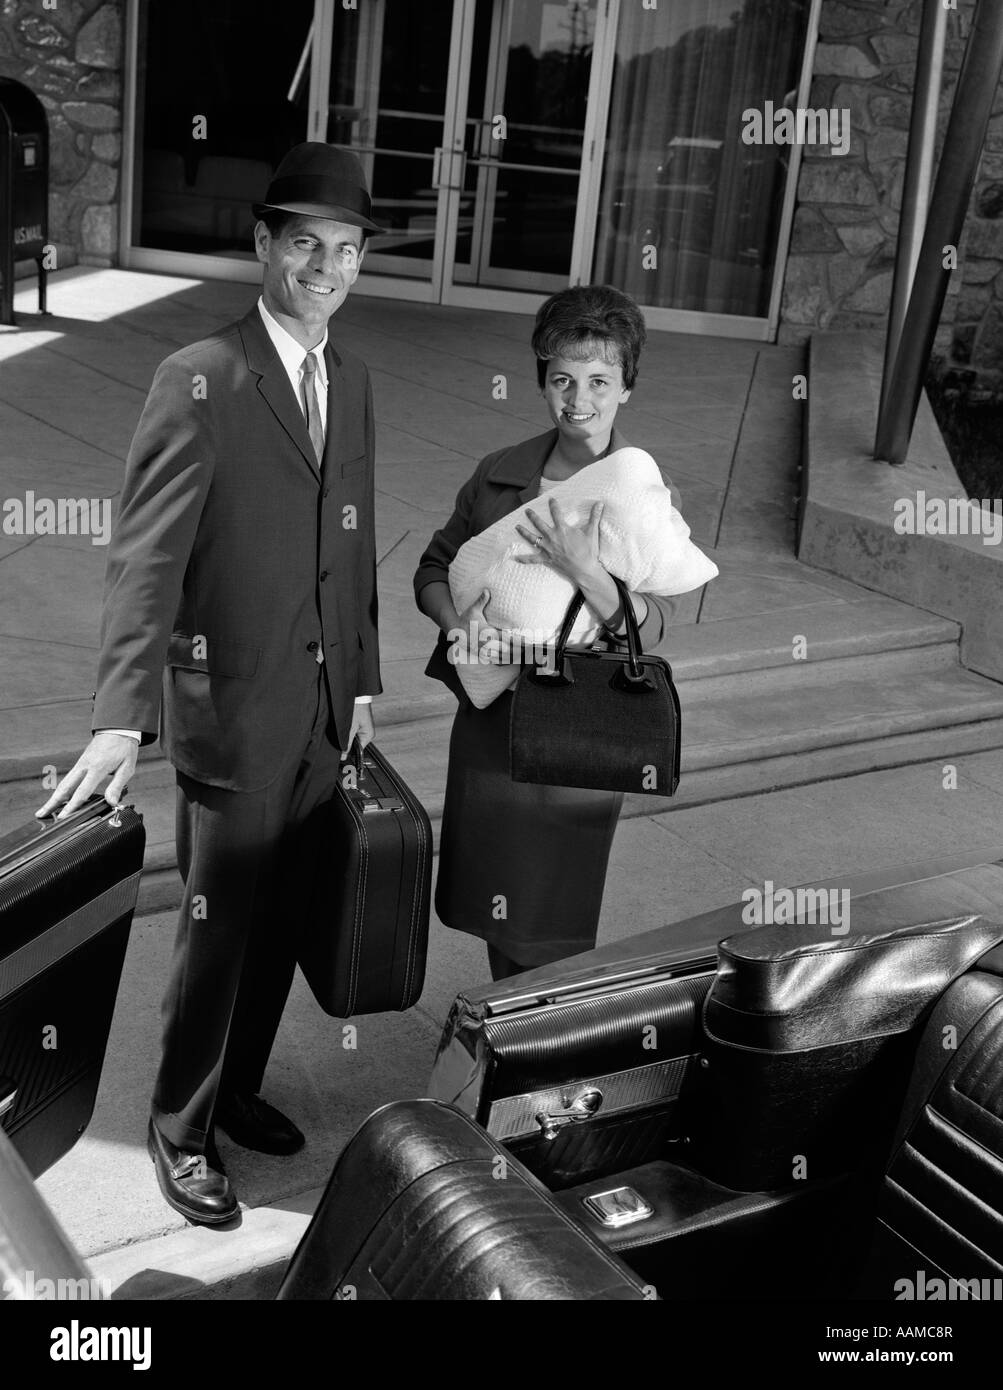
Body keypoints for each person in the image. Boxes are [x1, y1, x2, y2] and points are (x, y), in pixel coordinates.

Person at [37, 144, 382, 1226]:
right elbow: (147, 559)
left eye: (345, 251)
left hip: (324, 712)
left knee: (283, 919)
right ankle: (179, 1124)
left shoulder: (354, 374)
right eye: (305, 246)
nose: (324, 267)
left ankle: (236, 1088)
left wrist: (362, 684)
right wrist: (117, 718)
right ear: (265, 247)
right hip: (231, 711)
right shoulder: (201, 374)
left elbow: (353, 534)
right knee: (219, 923)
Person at [414, 284, 680, 982]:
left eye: (599, 381)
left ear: (627, 387)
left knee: (552, 918)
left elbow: (652, 623)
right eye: (561, 379)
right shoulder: (499, 474)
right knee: (491, 898)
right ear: (542, 382)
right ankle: (513, 1025)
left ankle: (537, 1046)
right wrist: (455, 623)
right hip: (490, 717)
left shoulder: (636, 492)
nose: (578, 399)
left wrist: (586, 571)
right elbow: (434, 566)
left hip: (575, 728)